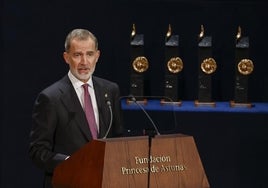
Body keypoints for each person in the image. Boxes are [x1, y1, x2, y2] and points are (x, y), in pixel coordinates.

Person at [29, 28, 124, 188]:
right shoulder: (51, 98)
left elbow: (118, 138)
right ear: (66, 57)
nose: (84, 62)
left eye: (89, 54)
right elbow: (37, 151)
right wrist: (70, 163)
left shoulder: (110, 90)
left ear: (97, 56)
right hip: (68, 182)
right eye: (77, 55)